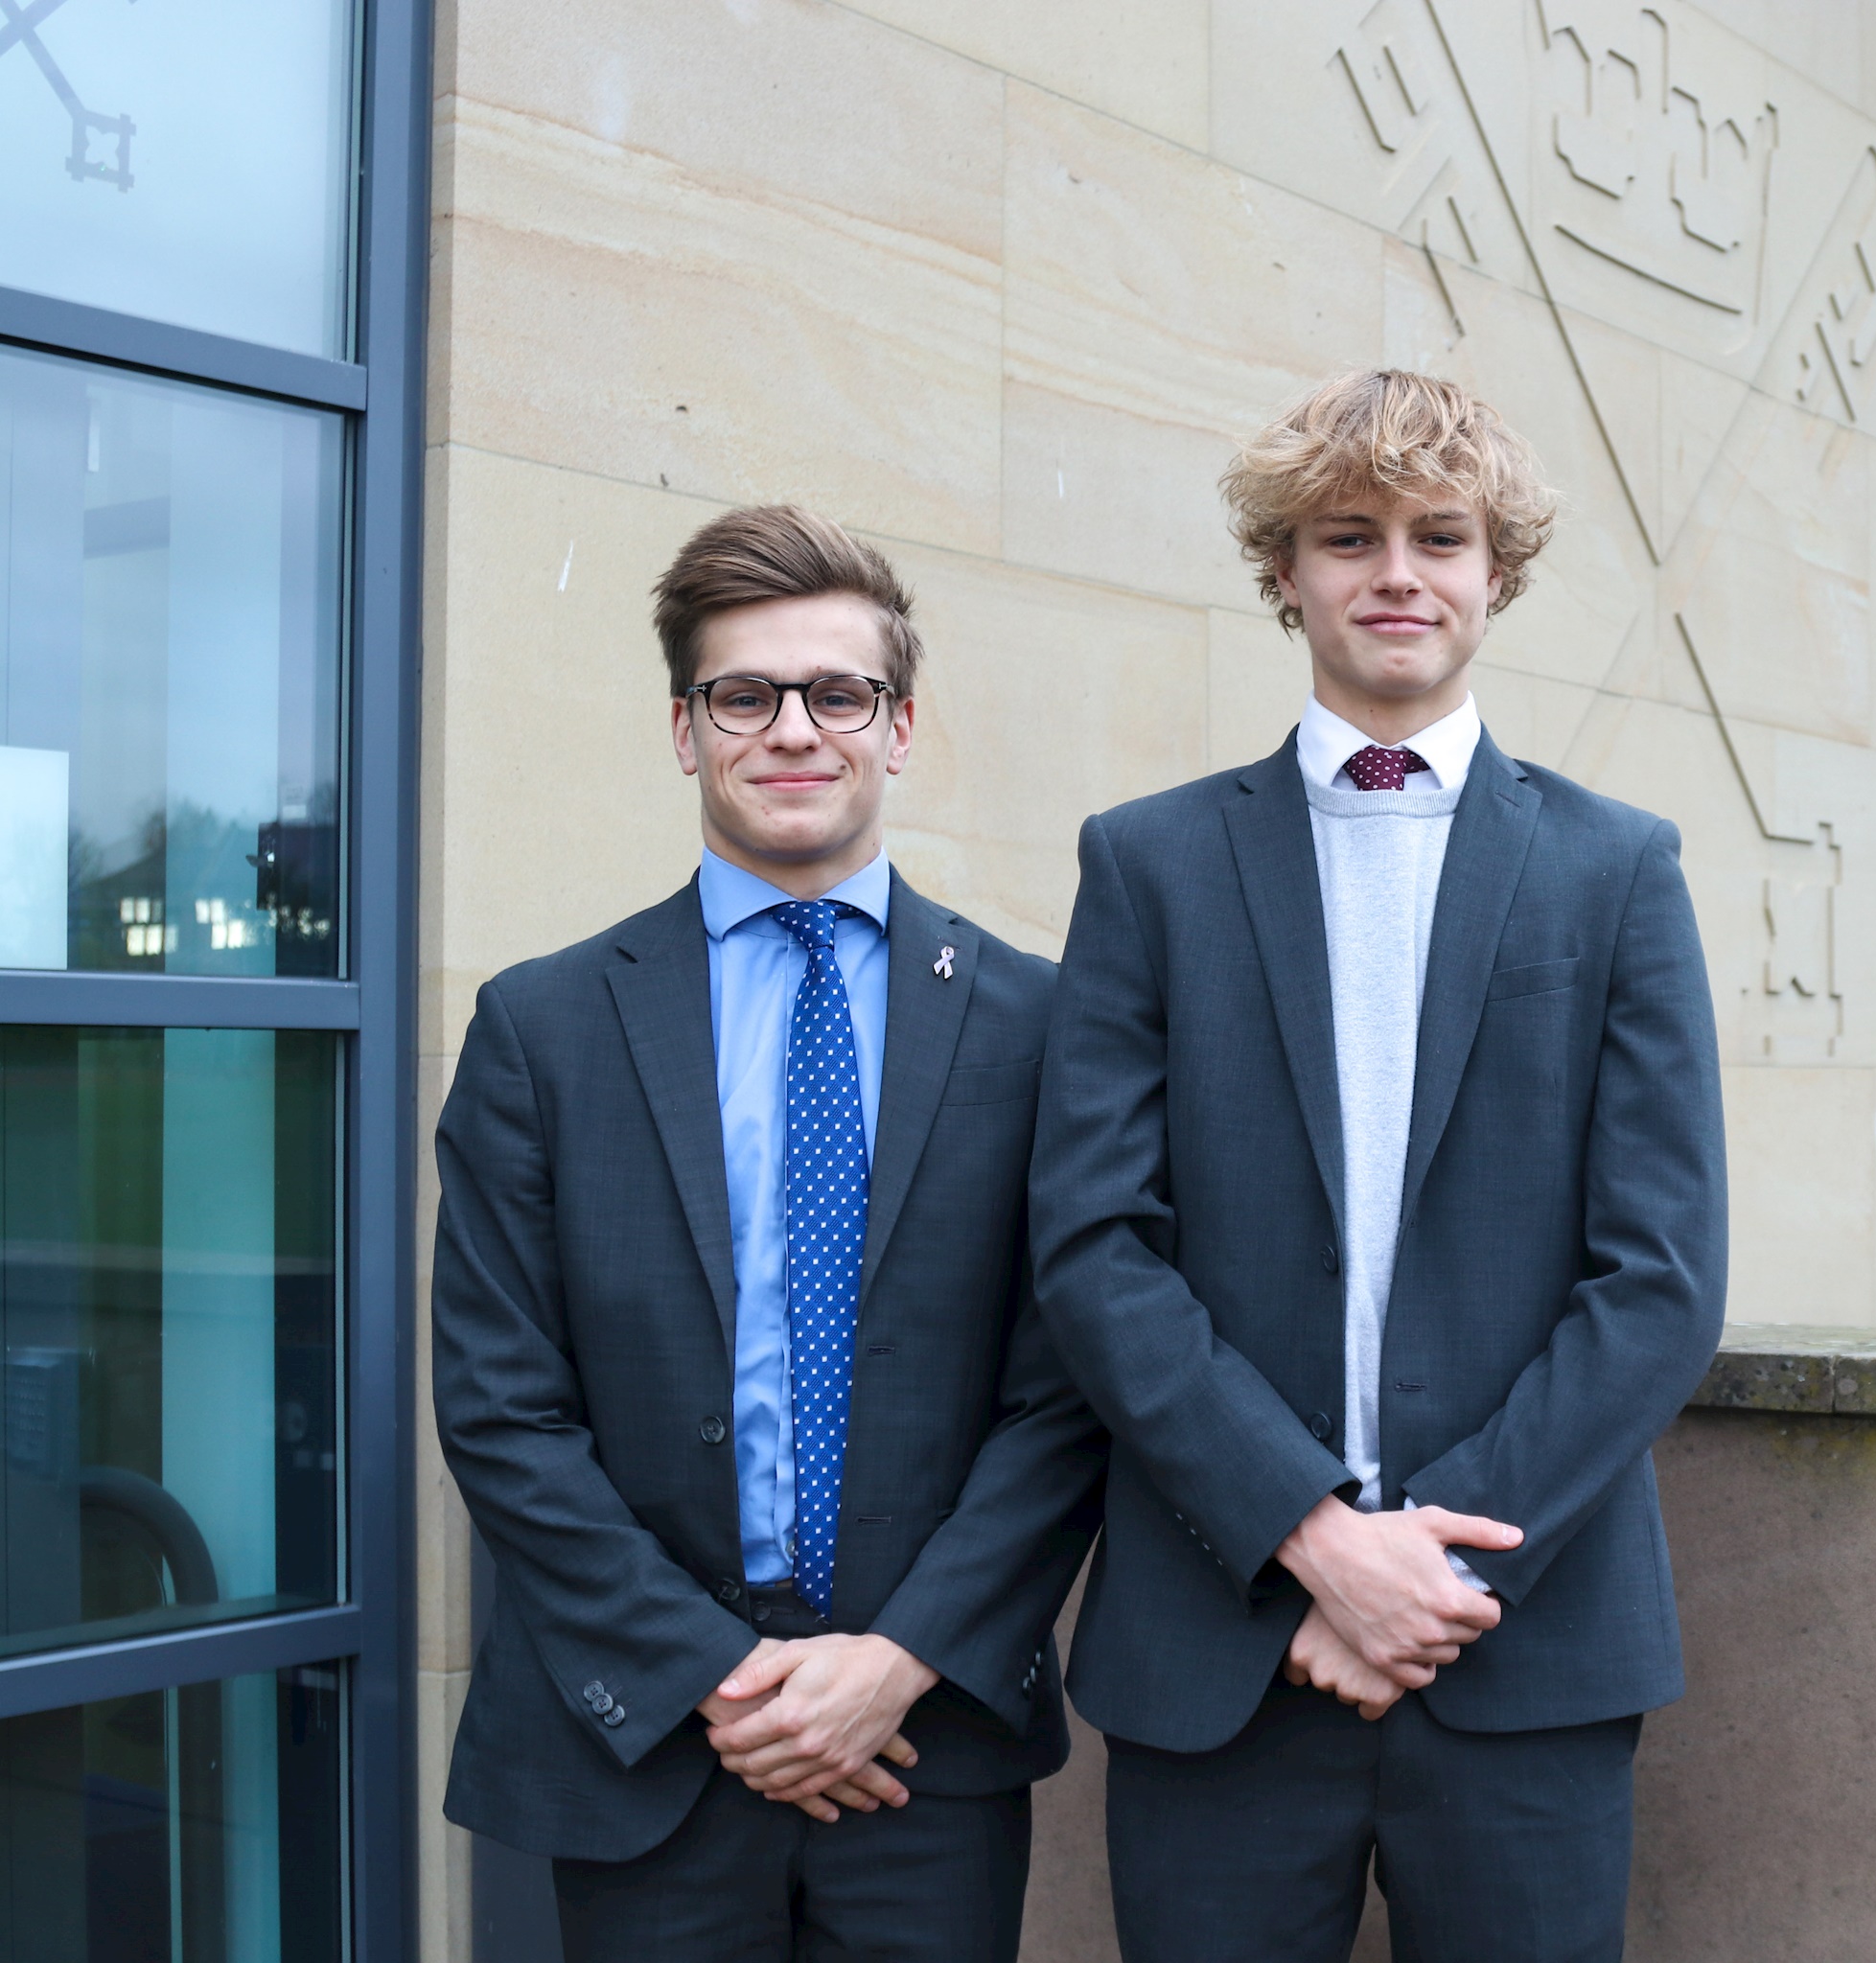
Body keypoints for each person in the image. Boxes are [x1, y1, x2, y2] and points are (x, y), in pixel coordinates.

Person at [1030, 370, 1728, 1963]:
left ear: (1498, 573)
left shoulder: (1619, 871)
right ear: (1286, 570)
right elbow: (1093, 1246)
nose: (1395, 570)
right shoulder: (1147, 862)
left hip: (1523, 1651)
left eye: (1440, 535)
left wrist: (1427, 1567)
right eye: (1348, 536)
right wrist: (1318, 1542)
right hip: (1222, 1651)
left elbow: (1663, 1276)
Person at [431, 506, 1103, 1961]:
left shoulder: (1039, 1026)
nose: (792, 730)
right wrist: (725, 1684)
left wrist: (896, 1663)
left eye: (837, 694)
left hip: (924, 1746)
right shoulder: (542, 1028)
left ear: (898, 725)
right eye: (745, 695)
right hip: (648, 1751)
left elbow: (1068, 1392)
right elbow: (500, 1408)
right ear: (686, 730)